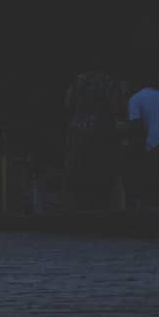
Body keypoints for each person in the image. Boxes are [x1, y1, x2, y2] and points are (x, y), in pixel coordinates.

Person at [63, 68, 122, 211]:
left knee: (77, 168)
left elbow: (67, 103)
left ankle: (77, 207)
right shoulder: (108, 80)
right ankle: (100, 207)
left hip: (77, 127)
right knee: (100, 168)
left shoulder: (77, 80)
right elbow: (116, 106)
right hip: (101, 127)